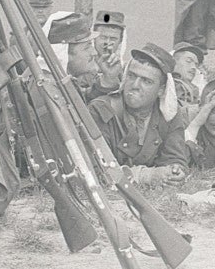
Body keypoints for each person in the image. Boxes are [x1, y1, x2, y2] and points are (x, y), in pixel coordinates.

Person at [88, 44, 189, 186]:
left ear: (161, 91)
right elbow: (97, 169)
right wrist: (146, 176)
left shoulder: (169, 114)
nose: (135, 85)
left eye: (146, 81)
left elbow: (175, 158)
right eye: (131, 76)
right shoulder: (101, 110)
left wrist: (174, 172)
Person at [90, 10, 128, 98]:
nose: (107, 43)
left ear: (120, 42)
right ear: (94, 38)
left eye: (113, 39)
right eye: (103, 37)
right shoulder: (83, 67)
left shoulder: (125, 70)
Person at [172, 42, 208, 108]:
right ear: (174, 62)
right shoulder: (165, 85)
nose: (194, 67)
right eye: (188, 61)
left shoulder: (195, 91)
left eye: (196, 64)